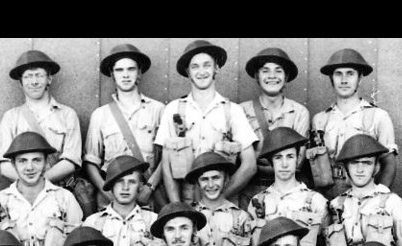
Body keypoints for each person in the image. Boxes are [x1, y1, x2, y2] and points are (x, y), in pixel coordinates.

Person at [155, 40, 257, 205]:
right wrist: (178, 208)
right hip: (186, 200)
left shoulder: (232, 111)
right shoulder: (173, 110)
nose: (201, 72)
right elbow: (166, 165)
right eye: (195, 67)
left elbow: (249, 165)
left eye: (206, 65)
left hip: (224, 205)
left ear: (216, 68)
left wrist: (218, 200)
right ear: (187, 71)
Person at [0, 132, 84, 246]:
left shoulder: (63, 198)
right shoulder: (0, 201)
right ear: (13, 164)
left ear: (46, 163)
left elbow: (78, 245)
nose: (29, 168)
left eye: (36, 160)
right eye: (23, 161)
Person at [0, 50, 91, 214]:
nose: (34, 82)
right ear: (20, 82)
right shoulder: (11, 117)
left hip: (61, 195)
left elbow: (72, 160)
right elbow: (4, 165)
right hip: (22, 198)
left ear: (49, 79)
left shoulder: (67, 115)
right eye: (28, 77)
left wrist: (40, 183)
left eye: (39, 75)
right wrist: (29, 186)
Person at [84, 44, 165, 210]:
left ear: (139, 73)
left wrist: (149, 188)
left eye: (131, 69)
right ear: (112, 75)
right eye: (119, 70)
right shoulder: (100, 115)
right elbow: (91, 162)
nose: (126, 75)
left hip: (146, 199)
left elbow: (167, 157)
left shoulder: (157, 110)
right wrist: (107, 192)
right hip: (110, 200)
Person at [309, 50, 397, 199]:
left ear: (360, 78)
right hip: (327, 195)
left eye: (350, 74)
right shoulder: (320, 119)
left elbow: (389, 164)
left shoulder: (377, 116)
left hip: (362, 195)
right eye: (338, 74)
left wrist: (378, 198)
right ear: (331, 79)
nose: (344, 80)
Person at [247, 127, 327, 246]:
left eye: (290, 156)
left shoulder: (317, 201)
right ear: (271, 161)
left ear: (298, 159)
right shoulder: (258, 202)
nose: (284, 164)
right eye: (278, 157)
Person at [239, 47, 310, 207]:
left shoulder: (299, 112)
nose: (272, 76)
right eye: (265, 71)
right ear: (257, 76)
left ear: (286, 77)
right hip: (251, 193)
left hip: (288, 194)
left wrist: (259, 158)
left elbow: (298, 163)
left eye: (278, 71)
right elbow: (241, 161)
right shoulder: (242, 111)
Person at [82, 155, 160, 246]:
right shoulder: (93, 223)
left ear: (141, 186)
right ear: (111, 185)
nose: (125, 188)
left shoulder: (153, 221)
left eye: (131, 182)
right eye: (119, 182)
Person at [187, 151, 257, 246]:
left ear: (226, 179)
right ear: (198, 183)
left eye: (216, 178)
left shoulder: (241, 217)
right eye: (204, 179)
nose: (211, 184)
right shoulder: (189, 217)